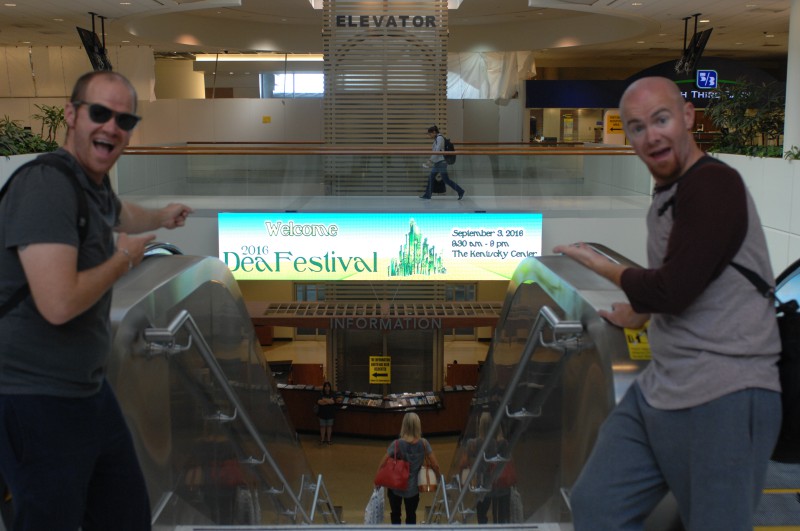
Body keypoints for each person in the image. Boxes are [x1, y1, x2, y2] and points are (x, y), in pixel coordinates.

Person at [553, 76, 782, 530]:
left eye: (660, 119)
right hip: (662, 389)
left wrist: (599, 265)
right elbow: (689, 272)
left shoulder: (716, 185)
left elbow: (674, 288)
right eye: (636, 127)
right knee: (596, 505)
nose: (651, 135)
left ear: (687, 117)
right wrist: (635, 313)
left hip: (727, 391)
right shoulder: (667, 195)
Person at [0, 70, 193, 531]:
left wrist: (163, 217)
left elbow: (120, 211)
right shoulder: (46, 186)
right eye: (100, 113)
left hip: (85, 389)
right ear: (71, 115)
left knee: (123, 514)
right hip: (35, 397)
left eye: (124, 120)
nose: (112, 127)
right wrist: (123, 259)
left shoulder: (90, 183)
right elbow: (58, 303)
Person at [376, 412, 441, 525]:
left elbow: (383, 462)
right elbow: (435, 464)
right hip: (413, 489)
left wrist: (377, 480)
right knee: (411, 515)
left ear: (404, 425)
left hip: (395, 487)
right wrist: (439, 478)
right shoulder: (424, 443)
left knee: (395, 514)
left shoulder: (397, 444)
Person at [419, 125, 464, 200]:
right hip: (438, 162)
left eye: (430, 134)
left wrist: (430, 160)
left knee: (446, 180)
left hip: (441, 162)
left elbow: (437, 151)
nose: (429, 136)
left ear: (434, 132)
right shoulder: (437, 138)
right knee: (431, 178)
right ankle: (427, 195)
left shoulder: (439, 138)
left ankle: (460, 191)